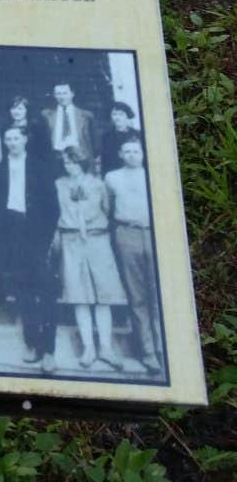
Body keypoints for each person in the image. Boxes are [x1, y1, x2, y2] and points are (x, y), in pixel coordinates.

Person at [0, 124, 60, 369]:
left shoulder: (40, 167)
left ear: (24, 139)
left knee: (46, 292)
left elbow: (53, 207)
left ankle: (49, 350)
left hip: (38, 235)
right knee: (23, 293)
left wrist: (47, 239)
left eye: (15, 138)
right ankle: (32, 344)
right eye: (7, 138)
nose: (11, 142)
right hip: (13, 234)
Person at [55, 147, 128, 370]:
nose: (71, 166)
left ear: (83, 162)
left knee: (102, 295)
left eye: (75, 162)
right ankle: (89, 348)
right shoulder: (59, 184)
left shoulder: (98, 184)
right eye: (67, 163)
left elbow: (108, 209)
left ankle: (105, 348)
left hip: (97, 240)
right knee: (80, 296)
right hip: (71, 241)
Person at [105, 137, 163, 374]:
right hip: (126, 233)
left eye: (135, 151)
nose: (131, 155)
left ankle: (162, 347)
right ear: (120, 153)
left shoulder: (153, 175)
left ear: (142, 153)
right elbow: (107, 208)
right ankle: (148, 352)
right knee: (137, 295)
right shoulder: (112, 178)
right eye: (126, 151)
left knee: (157, 293)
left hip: (153, 233)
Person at [42, 82, 95, 171]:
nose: (62, 97)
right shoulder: (46, 115)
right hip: (56, 161)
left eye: (65, 93)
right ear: (54, 95)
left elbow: (93, 143)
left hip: (80, 159)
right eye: (58, 94)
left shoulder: (86, 115)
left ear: (72, 94)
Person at [100, 102, 140, 175]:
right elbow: (105, 159)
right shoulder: (106, 136)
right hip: (115, 173)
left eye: (121, 114)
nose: (117, 118)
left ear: (127, 116)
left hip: (135, 171)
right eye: (114, 114)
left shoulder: (138, 134)